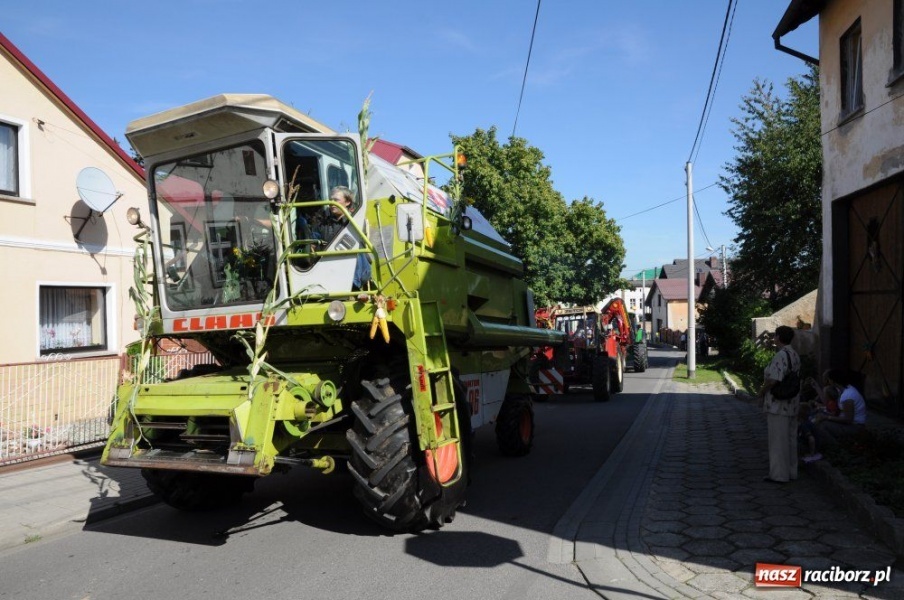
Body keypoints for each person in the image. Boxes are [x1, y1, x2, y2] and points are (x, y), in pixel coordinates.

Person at [757, 325, 801, 483]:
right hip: (792, 402)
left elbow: (774, 379)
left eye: (775, 336)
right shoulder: (794, 354)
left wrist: (761, 392)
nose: (773, 339)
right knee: (790, 439)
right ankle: (791, 471)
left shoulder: (781, 355)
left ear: (778, 338)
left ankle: (779, 474)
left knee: (778, 441)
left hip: (778, 404)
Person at [812, 368, 867, 450]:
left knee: (822, 426)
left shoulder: (848, 396)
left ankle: (836, 449)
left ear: (832, 381)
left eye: (828, 379)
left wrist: (827, 417)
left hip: (855, 427)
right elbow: (827, 404)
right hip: (850, 424)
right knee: (819, 416)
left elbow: (848, 419)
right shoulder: (844, 389)